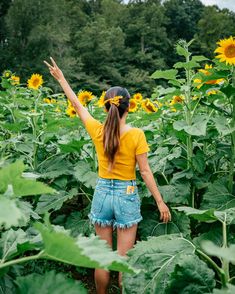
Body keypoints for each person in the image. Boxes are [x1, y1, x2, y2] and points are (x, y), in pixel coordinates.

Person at [44, 57, 171, 294]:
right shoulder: (137, 135)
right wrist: (160, 201)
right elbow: (144, 171)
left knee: (102, 258)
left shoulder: (98, 130)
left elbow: (77, 104)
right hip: (127, 194)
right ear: (129, 106)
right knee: (123, 261)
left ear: (105, 107)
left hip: (101, 193)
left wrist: (61, 79)